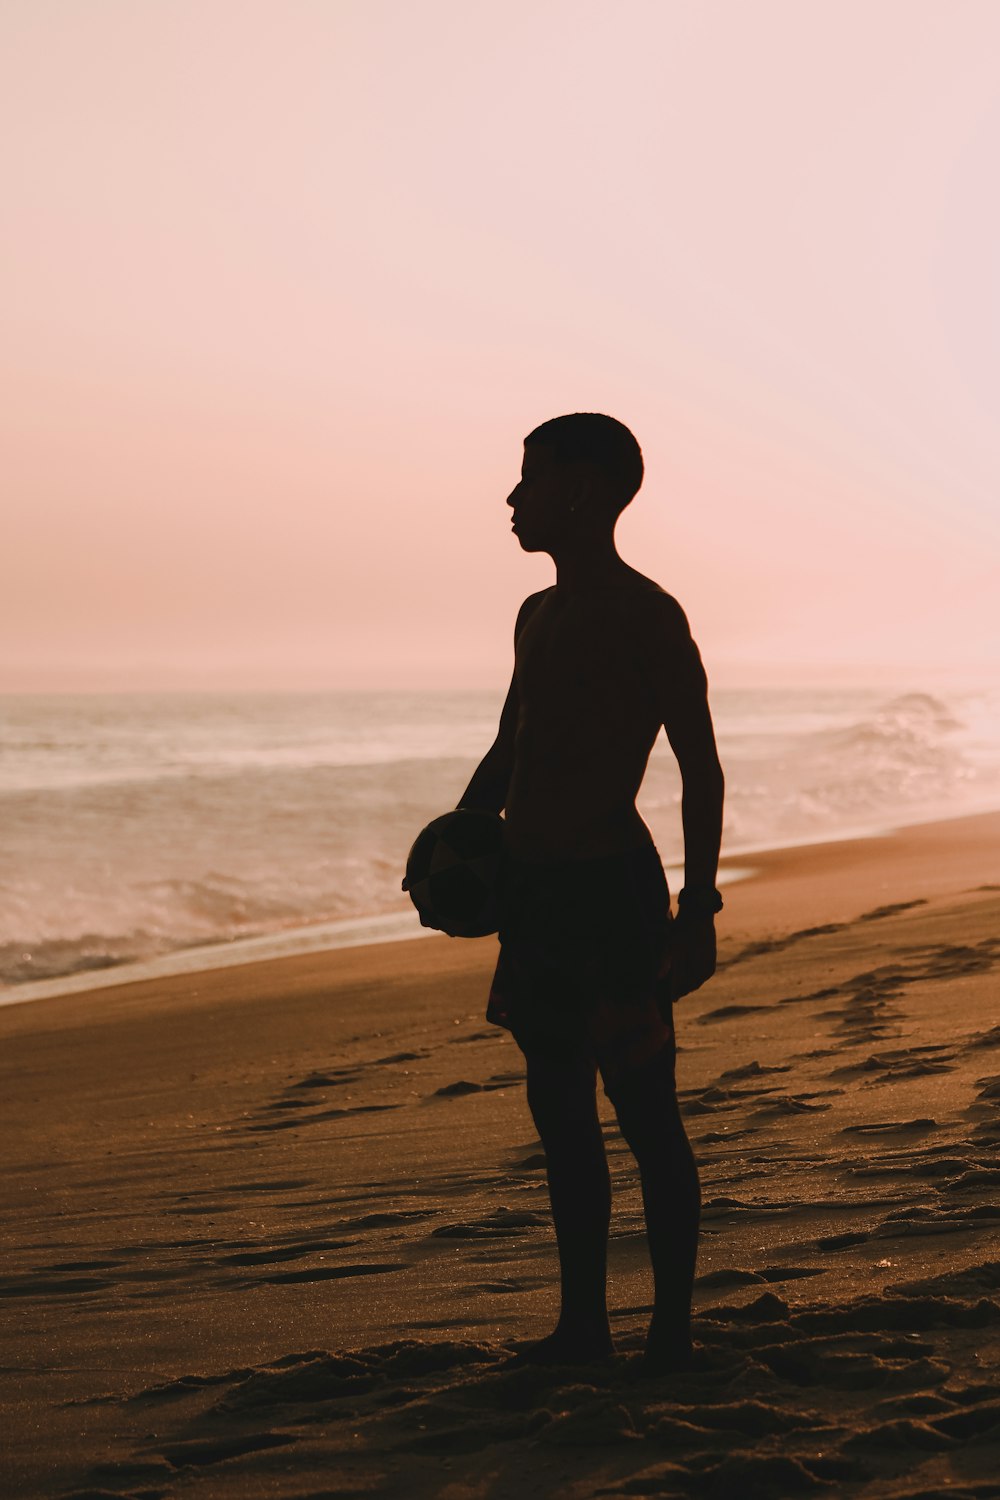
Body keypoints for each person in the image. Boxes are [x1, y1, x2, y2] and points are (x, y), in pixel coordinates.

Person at [457, 412, 724, 1373]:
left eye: (530, 479)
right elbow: (509, 749)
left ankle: (671, 1331)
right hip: (532, 895)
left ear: (578, 489)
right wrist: (458, 836)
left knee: (647, 1112)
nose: (514, 499)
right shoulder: (537, 614)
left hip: (611, 895)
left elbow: (701, 767)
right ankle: (584, 1328)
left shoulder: (646, 613)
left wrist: (698, 911)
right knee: (560, 1114)